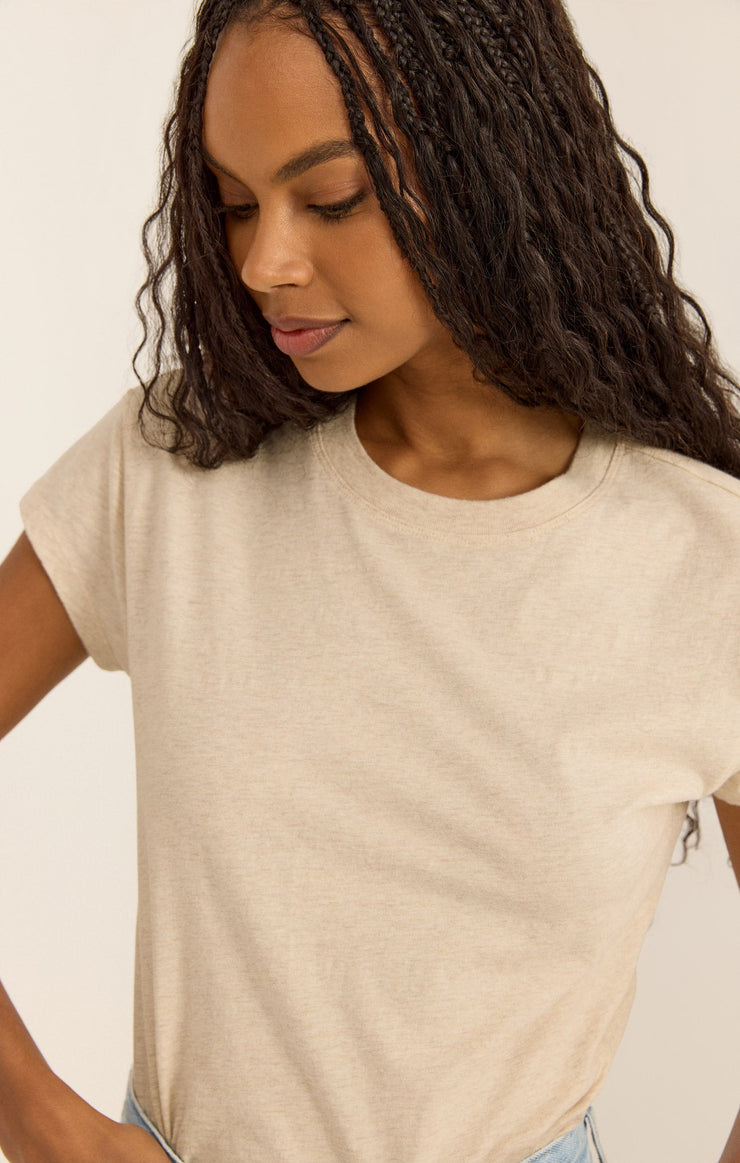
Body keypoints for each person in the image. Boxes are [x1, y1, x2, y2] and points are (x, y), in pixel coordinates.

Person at [1, 0, 739, 1160]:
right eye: (233, 202)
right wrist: (36, 1116)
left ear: (490, 165)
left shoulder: (699, 561)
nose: (264, 262)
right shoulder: (175, 463)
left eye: (332, 196)